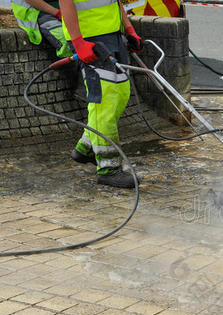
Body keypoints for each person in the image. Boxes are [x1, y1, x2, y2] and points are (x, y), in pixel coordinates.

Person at [60, 0, 143, 188]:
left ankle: (86, 148)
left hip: (113, 35)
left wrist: (129, 29)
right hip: (90, 39)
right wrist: (78, 42)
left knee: (121, 94)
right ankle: (108, 169)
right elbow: (66, 3)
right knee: (104, 101)